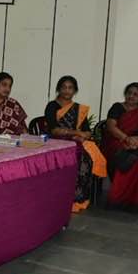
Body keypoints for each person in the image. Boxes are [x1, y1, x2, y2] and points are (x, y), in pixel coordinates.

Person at [45, 76, 108, 212]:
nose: (67, 91)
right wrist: (76, 133)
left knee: (86, 157)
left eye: (70, 88)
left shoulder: (78, 109)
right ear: (59, 89)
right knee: (79, 156)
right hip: (57, 142)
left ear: (75, 90)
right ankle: (66, 198)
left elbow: (87, 132)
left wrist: (82, 135)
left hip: (75, 141)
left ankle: (79, 198)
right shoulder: (52, 106)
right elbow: (54, 129)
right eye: (64, 87)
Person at [100, 82, 138, 211]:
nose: (131, 96)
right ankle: (120, 198)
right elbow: (111, 127)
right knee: (126, 156)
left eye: (135, 94)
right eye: (129, 93)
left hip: (137, 143)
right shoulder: (117, 107)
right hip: (116, 142)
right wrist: (127, 139)